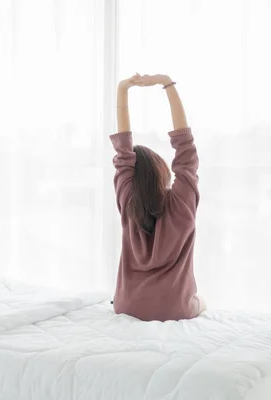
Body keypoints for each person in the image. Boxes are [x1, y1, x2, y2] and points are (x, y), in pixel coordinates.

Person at [110, 73, 205, 321]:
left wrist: (123, 90)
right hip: (174, 309)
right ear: (160, 170)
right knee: (202, 301)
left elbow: (123, 157)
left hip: (126, 305)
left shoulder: (128, 202)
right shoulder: (181, 205)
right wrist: (168, 84)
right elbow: (185, 151)